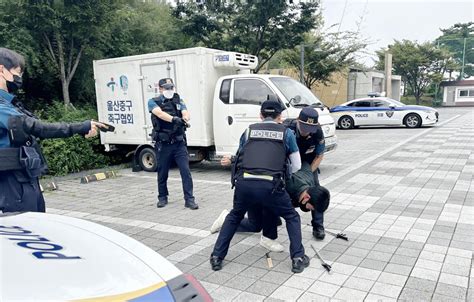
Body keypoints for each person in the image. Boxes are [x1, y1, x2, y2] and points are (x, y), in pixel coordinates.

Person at [210, 98, 311, 274]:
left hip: (244, 185)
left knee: (234, 216)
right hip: (271, 187)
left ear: (260, 115)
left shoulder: (249, 131)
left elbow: (240, 156)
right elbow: (296, 165)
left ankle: (217, 257)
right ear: (280, 116)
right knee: (292, 217)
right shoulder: (286, 133)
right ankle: (297, 258)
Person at [0, 48, 101, 213]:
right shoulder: (2, 106)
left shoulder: (10, 104)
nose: (19, 78)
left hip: (23, 178)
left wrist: (83, 128)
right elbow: (37, 128)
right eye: (18, 72)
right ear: (1, 69)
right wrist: (81, 126)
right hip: (12, 184)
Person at [148, 78, 198, 210]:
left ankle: (189, 199)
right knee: (162, 172)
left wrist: (185, 118)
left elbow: (185, 111)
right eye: (166, 88)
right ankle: (162, 197)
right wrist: (174, 119)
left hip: (179, 143)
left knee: (185, 171)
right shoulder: (153, 102)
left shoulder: (178, 100)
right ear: (160, 89)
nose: (169, 90)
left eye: (171, 87)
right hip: (163, 144)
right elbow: (159, 113)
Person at [284, 107, 327, 239]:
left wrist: (307, 173)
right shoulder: (286, 128)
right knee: (280, 190)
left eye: (310, 129)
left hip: (308, 163)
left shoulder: (318, 132)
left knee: (315, 192)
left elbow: (319, 155)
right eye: (304, 127)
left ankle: (318, 225)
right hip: (288, 162)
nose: (306, 132)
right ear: (297, 120)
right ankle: (273, 217)